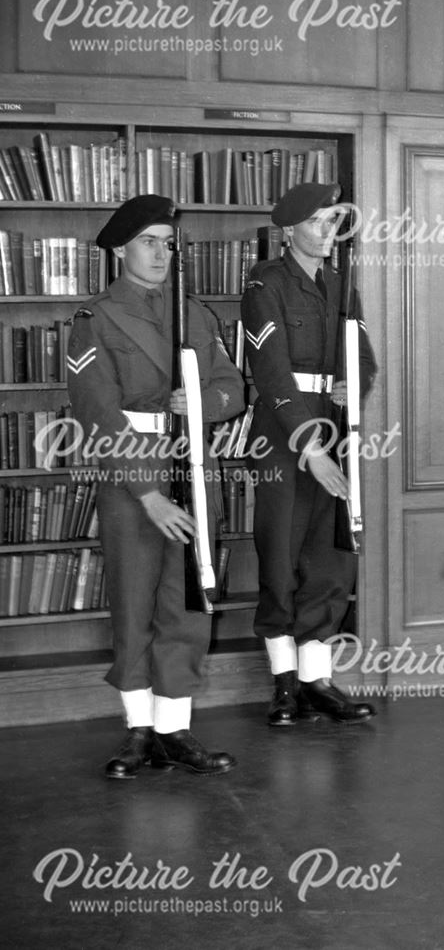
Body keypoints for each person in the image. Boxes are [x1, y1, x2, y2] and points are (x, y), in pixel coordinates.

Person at [66, 194, 245, 778]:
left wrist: (197, 401)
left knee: (188, 602)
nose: (161, 253)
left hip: (191, 464)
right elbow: (100, 414)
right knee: (135, 600)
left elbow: (232, 390)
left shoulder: (196, 313)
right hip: (132, 473)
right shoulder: (95, 319)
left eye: (169, 242)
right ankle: (138, 730)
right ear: (120, 249)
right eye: (148, 241)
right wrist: (148, 495)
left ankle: (175, 729)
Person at [241, 183, 377, 728]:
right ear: (288, 230)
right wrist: (311, 447)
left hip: (335, 428)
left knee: (329, 558)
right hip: (285, 433)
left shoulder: (342, 285)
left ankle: (315, 680)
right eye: (318, 222)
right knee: (280, 554)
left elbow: (364, 358)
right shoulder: (264, 284)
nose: (327, 232)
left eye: (331, 221)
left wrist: (351, 384)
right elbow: (270, 370)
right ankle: (282, 685)